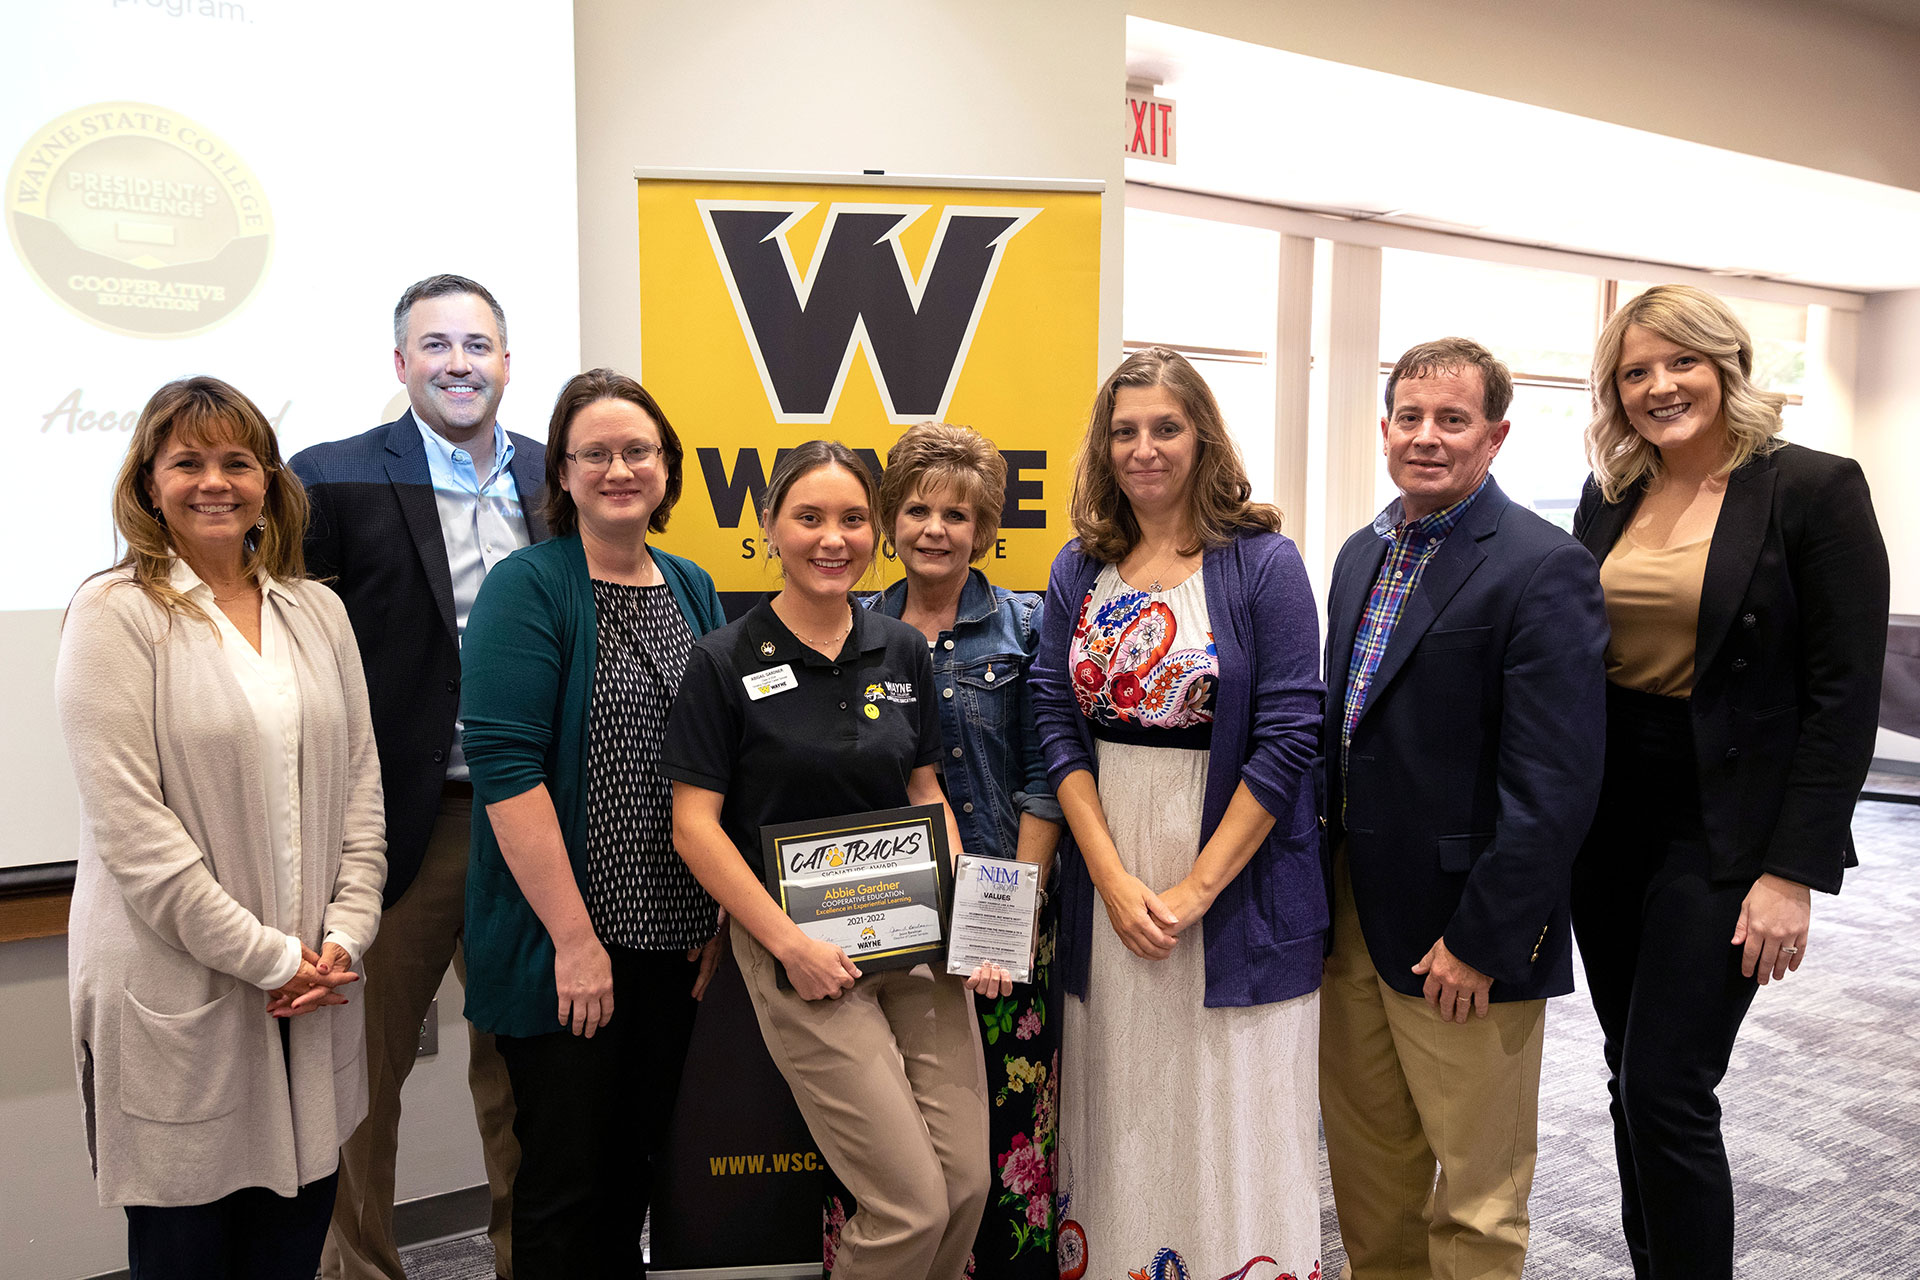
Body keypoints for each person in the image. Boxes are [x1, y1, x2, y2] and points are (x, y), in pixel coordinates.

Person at [1571, 285, 1888, 1280]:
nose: (1660, 386)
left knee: (1670, 1083)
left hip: (1727, 826)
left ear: (1726, 366)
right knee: (1632, 1077)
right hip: (1611, 818)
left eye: (1681, 363)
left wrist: (1791, 870)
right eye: (1636, 372)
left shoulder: (1814, 489)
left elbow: (1843, 697)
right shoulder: (1610, 494)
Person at [57, 376, 387, 1280]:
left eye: (237, 461)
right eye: (187, 461)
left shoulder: (317, 610)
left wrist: (344, 936)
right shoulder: (114, 613)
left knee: (293, 1242)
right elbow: (136, 836)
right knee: (188, 1256)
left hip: (313, 989)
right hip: (186, 986)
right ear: (148, 482)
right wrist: (277, 961)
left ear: (269, 480)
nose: (215, 482)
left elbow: (363, 785)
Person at [661, 441, 1010, 1280]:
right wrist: (789, 946)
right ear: (770, 528)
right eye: (809, 517)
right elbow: (694, 828)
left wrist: (970, 914)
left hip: (915, 935)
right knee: (907, 1207)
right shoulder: (722, 661)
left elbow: (926, 791)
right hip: (803, 953)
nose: (833, 537)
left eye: (852, 518)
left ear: (874, 531)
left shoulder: (900, 651)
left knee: (964, 1186)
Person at [1028, 347, 1325, 1280]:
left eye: (1166, 427)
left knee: (1229, 1096)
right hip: (1106, 861)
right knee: (1122, 1099)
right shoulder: (1084, 565)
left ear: (1202, 435)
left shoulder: (1266, 566)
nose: (1144, 448)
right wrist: (1112, 878)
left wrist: (1193, 890)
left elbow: (1289, 736)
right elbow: (1052, 715)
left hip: (1234, 880)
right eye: (1125, 431)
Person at [1318, 337, 1608, 1280]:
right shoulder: (1360, 554)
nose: (1428, 438)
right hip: (1351, 917)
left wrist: (1486, 938)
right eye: (1410, 418)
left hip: (1463, 935)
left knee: (1478, 1199)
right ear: (1385, 428)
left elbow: (1554, 784)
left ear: (1496, 434)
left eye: (1453, 420)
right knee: (1370, 1179)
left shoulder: (1540, 565)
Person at [290, 274, 541, 1280]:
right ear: (401, 365)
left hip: (529, 822)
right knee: (361, 1082)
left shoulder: (554, 480)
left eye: (477, 345)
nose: (458, 363)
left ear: (507, 362)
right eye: (434, 346)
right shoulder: (332, 475)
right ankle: (361, 1269)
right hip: (398, 825)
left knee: (526, 1073)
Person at [458, 368, 728, 1277]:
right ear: (563, 474)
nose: (620, 468)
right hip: (573, 950)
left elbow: (720, 762)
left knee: (648, 1176)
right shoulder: (526, 588)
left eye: (638, 451)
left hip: (678, 945)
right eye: (596, 453)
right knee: (568, 1192)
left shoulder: (691, 585)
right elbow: (506, 775)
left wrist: (721, 913)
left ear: (667, 468)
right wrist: (575, 943)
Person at [860, 422, 1064, 1276]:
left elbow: (1049, 780)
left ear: (984, 529)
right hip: (889, 926)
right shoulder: (853, 628)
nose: (934, 529)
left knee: (1009, 1139)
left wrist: (1001, 921)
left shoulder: (1028, 626)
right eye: (916, 509)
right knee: (897, 1143)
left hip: (1006, 915)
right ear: (889, 520)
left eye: (956, 513)